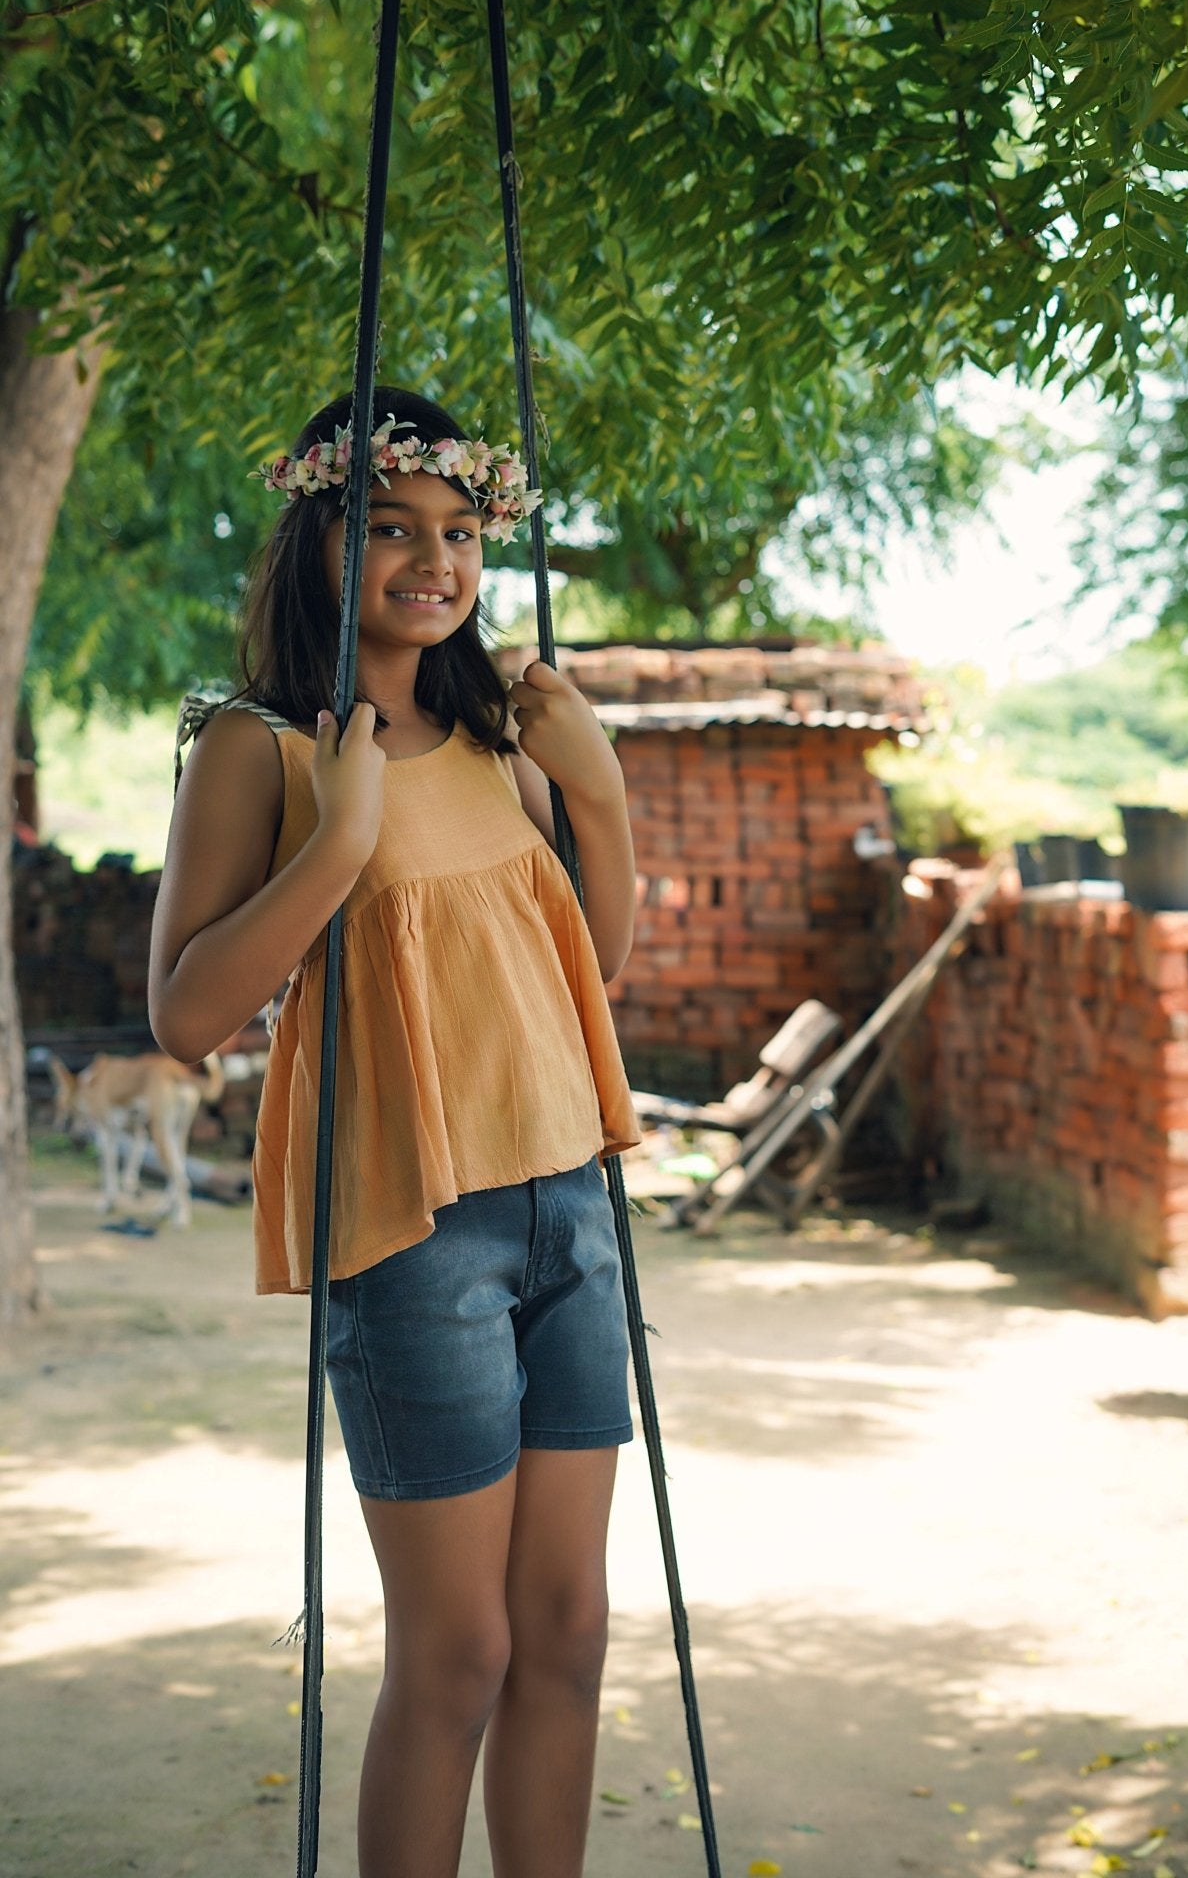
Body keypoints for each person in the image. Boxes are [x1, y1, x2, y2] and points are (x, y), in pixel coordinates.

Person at [149, 386, 642, 1878]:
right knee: (461, 1653)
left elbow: (580, 978)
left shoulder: (501, 728)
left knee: (568, 1629)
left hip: (572, 1209)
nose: (433, 564)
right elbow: (184, 1017)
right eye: (389, 528)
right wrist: (342, 842)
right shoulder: (263, 749)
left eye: (459, 534)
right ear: (315, 537)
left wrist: (600, 799)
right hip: (413, 1232)